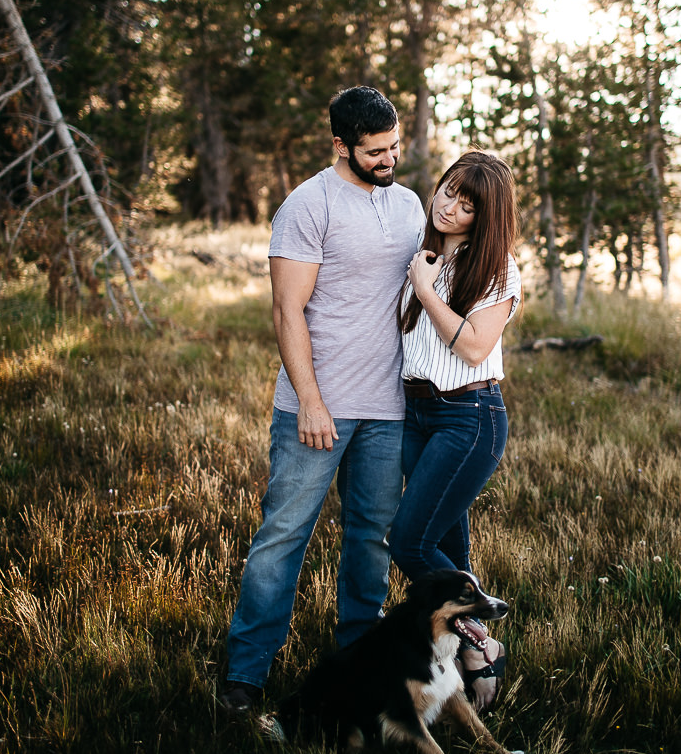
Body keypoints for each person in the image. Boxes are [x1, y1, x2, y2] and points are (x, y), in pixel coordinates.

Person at [222, 86, 425, 712]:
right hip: (319, 408)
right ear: (341, 144)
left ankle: (358, 667)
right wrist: (310, 401)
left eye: (395, 146)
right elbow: (286, 311)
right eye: (375, 151)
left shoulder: (411, 204)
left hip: (389, 407)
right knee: (283, 536)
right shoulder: (307, 205)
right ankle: (245, 677)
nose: (389, 159)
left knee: (370, 540)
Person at [388, 150, 522, 710]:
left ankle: (479, 638)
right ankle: (458, 658)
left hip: (468, 417)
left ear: (484, 218)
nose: (449, 207)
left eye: (467, 205)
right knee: (446, 542)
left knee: (409, 541)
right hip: (415, 413)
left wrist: (425, 289)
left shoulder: (497, 270)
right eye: (447, 191)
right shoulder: (420, 254)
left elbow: (471, 347)